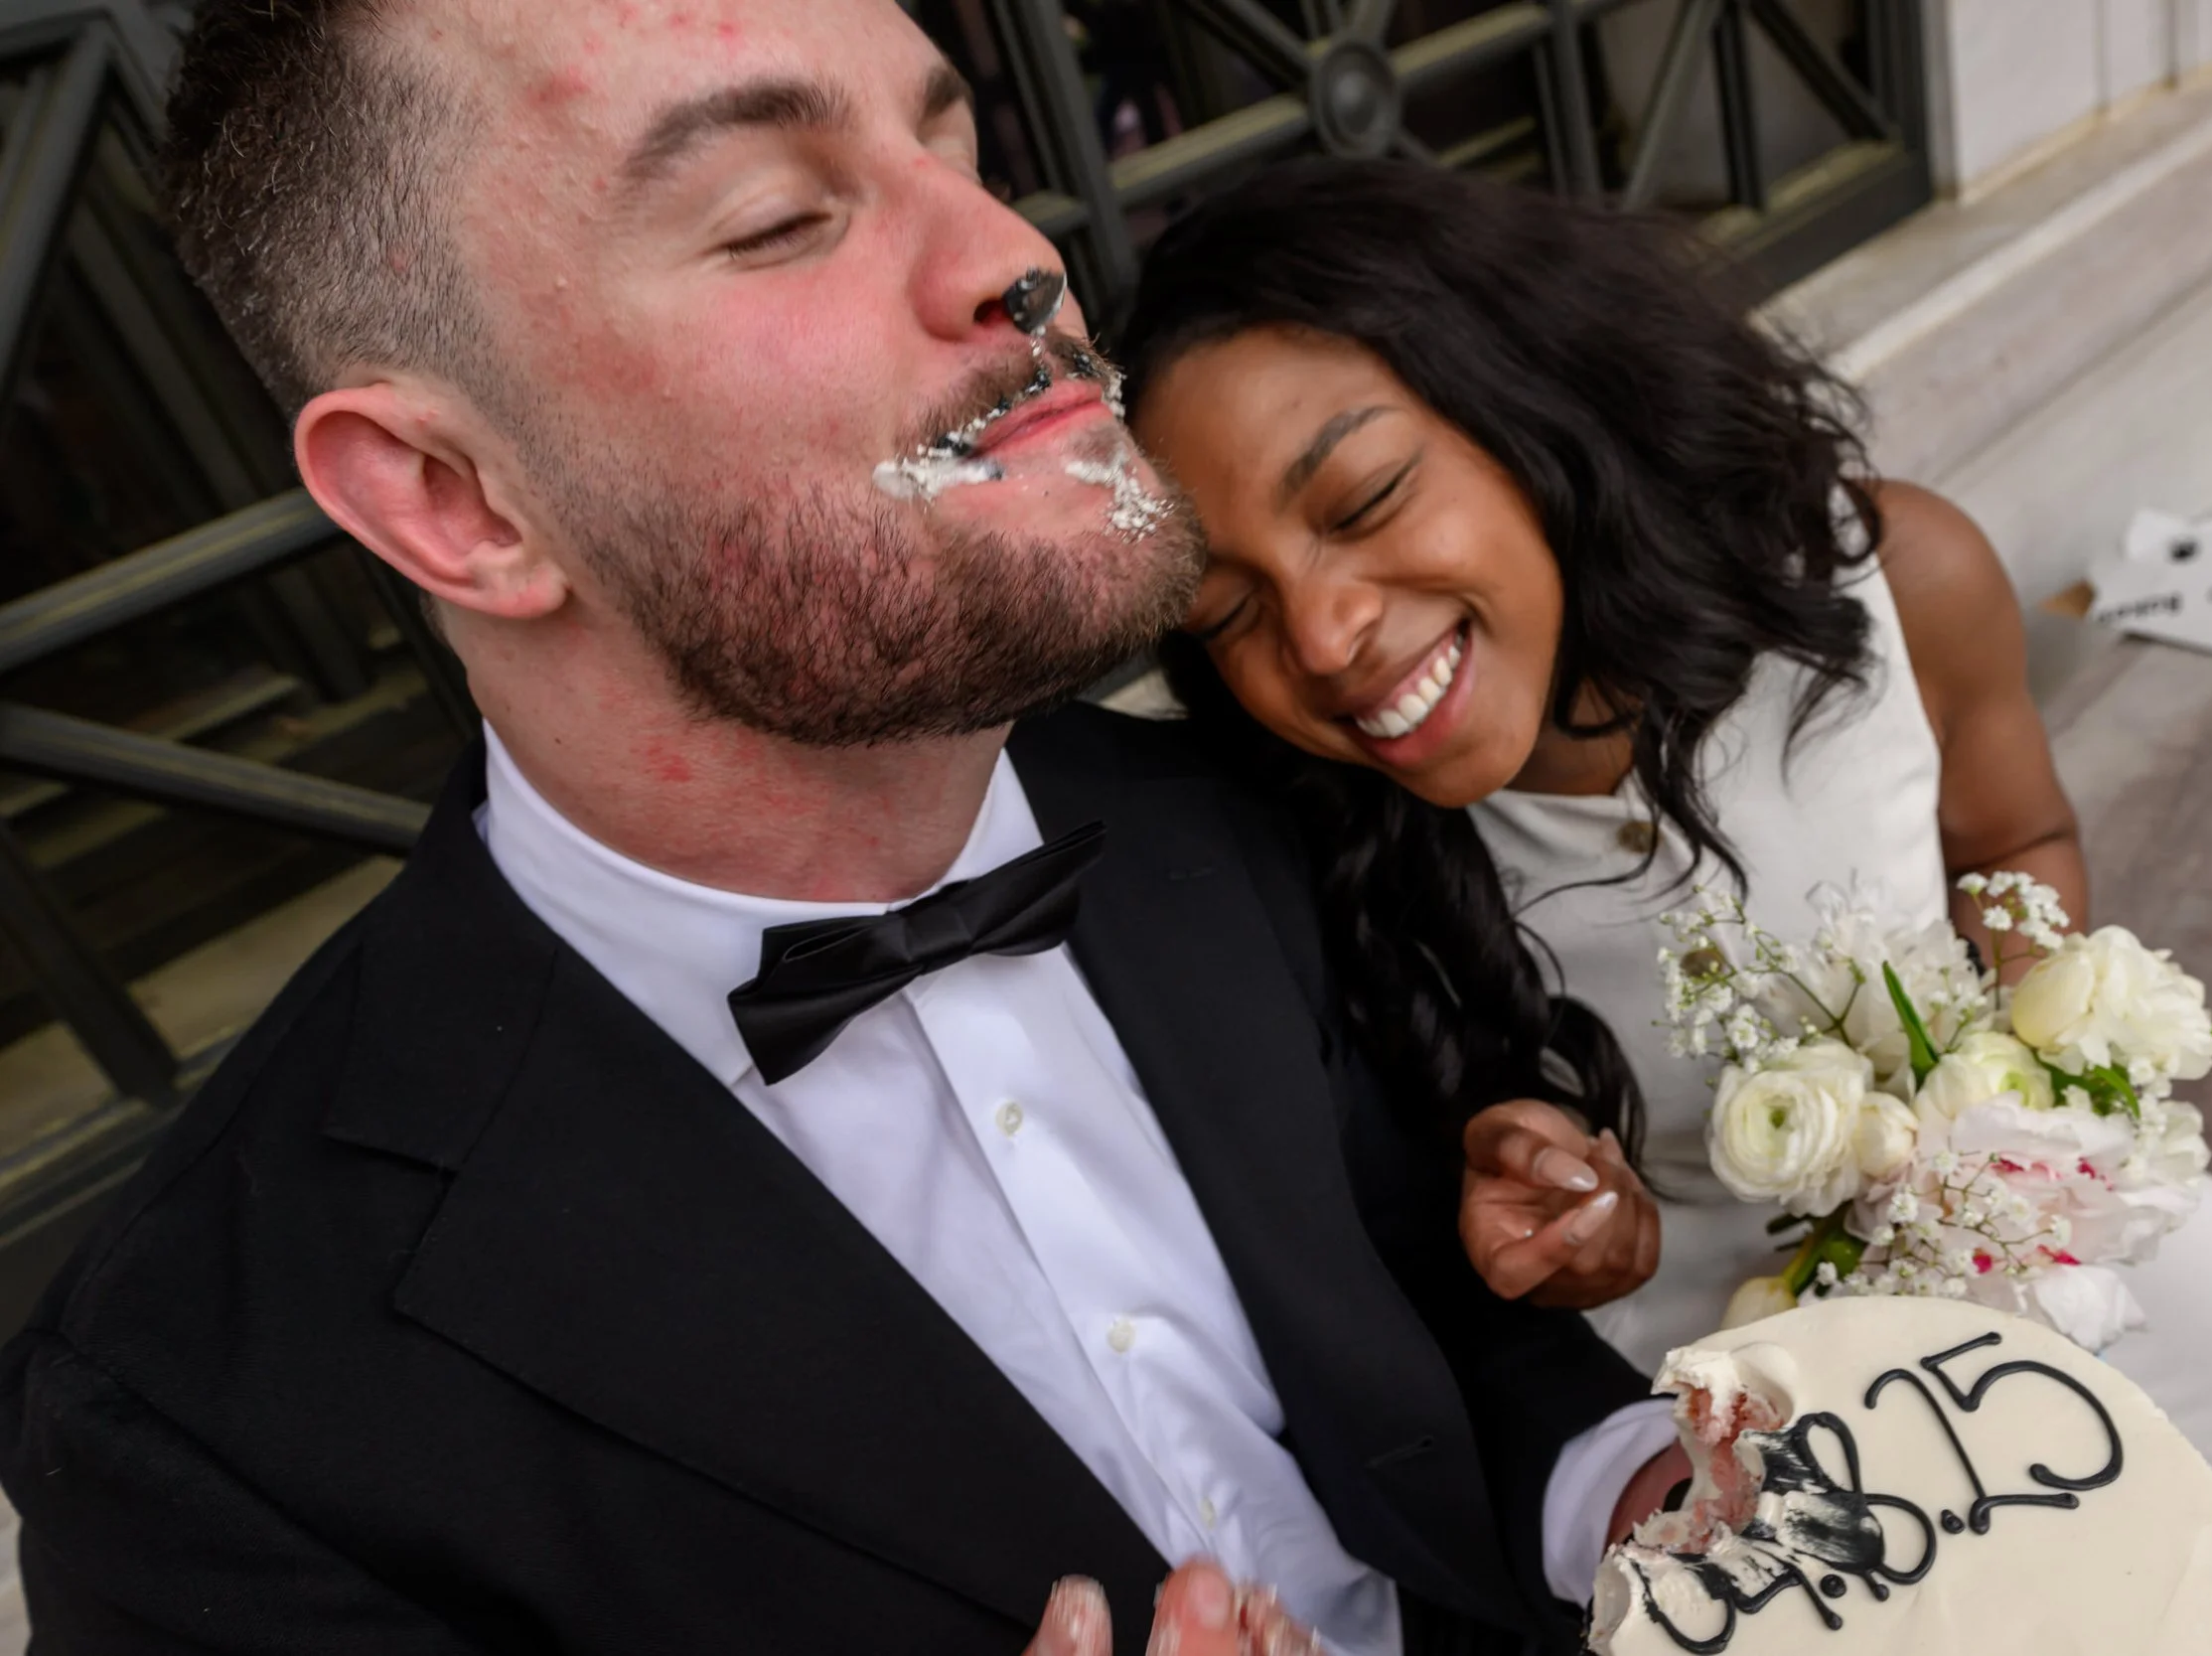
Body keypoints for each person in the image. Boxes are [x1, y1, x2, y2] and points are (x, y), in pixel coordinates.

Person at [0, 7, 1697, 1651]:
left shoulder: (1235, 808)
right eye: (780, 216)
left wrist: (1624, 1486)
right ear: (455, 498)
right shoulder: (196, 1429)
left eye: (951, 139)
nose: (1012, 259)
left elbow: (1432, 1337)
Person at [1118, 157, 2212, 1656]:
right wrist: (1568, 1227)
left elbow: (2015, 828)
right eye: (1229, 614)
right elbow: (1446, 1237)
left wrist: (2024, 1037)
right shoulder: (1326, 860)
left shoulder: (1889, 576)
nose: (1321, 633)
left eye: (1367, 497)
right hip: (1753, 1371)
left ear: (1528, 402)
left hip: (2030, 1220)